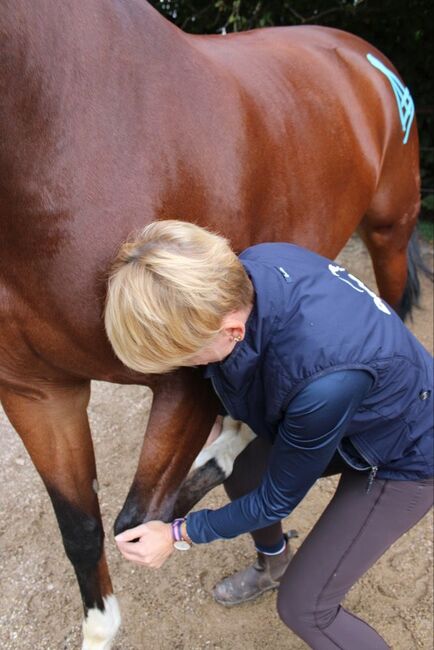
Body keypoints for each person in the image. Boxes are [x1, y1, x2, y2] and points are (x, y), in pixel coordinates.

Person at [105, 220, 433, 649]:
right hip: (351, 412)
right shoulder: (253, 264)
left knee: (304, 608)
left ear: (232, 332)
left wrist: (177, 534)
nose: (186, 367)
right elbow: (250, 363)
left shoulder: (322, 385)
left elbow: (278, 498)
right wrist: (219, 416)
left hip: (406, 452)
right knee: (241, 467)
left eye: (186, 357)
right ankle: (274, 563)